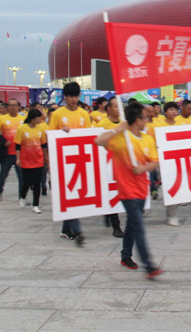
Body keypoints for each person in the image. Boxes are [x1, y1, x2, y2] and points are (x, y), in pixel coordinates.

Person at [94, 101, 163, 279]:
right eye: (145, 117)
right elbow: (98, 140)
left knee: (132, 224)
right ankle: (149, 265)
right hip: (126, 190)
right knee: (139, 226)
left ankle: (125, 256)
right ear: (137, 120)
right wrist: (119, 128)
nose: (147, 119)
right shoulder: (121, 139)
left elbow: (155, 162)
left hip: (142, 189)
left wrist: (143, 168)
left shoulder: (147, 139)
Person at [48, 82, 91, 245]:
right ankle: (74, 229)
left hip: (80, 158)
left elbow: (89, 135)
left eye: (76, 96)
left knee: (75, 194)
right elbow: (50, 136)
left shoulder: (84, 114)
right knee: (69, 192)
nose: (73, 99)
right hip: (63, 159)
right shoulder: (58, 114)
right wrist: (61, 133)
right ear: (65, 97)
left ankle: (67, 229)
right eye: (70, 96)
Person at [92, 98, 125, 237]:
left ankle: (108, 213)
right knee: (112, 193)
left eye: (120, 106)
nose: (118, 109)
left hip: (123, 163)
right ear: (109, 109)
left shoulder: (125, 123)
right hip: (108, 164)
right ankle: (116, 227)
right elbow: (96, 142)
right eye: (115, 106)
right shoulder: (102, 124)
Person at [14, 109, 48, 213]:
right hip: (26, 159)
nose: (40, 120)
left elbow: (43, 144)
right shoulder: (22, 129)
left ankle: (36, 205)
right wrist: (18, 158)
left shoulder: (40, 128)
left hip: (38, 159)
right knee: (27, 181)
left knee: (37, 183)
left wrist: (46, 157)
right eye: (38, 118)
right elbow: (18, 145)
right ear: (33, 118)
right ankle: (22, 196)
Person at [0, 99, 25, 201]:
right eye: (11, 105)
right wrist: (3, 142)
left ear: (18, 107)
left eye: (15, 105)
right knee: (3, 174)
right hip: (7, 153)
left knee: (21, 176)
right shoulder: (2, 119)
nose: (13, 107)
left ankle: (22, 196)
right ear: (7, 107)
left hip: (19, 153)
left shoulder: (23, 119)